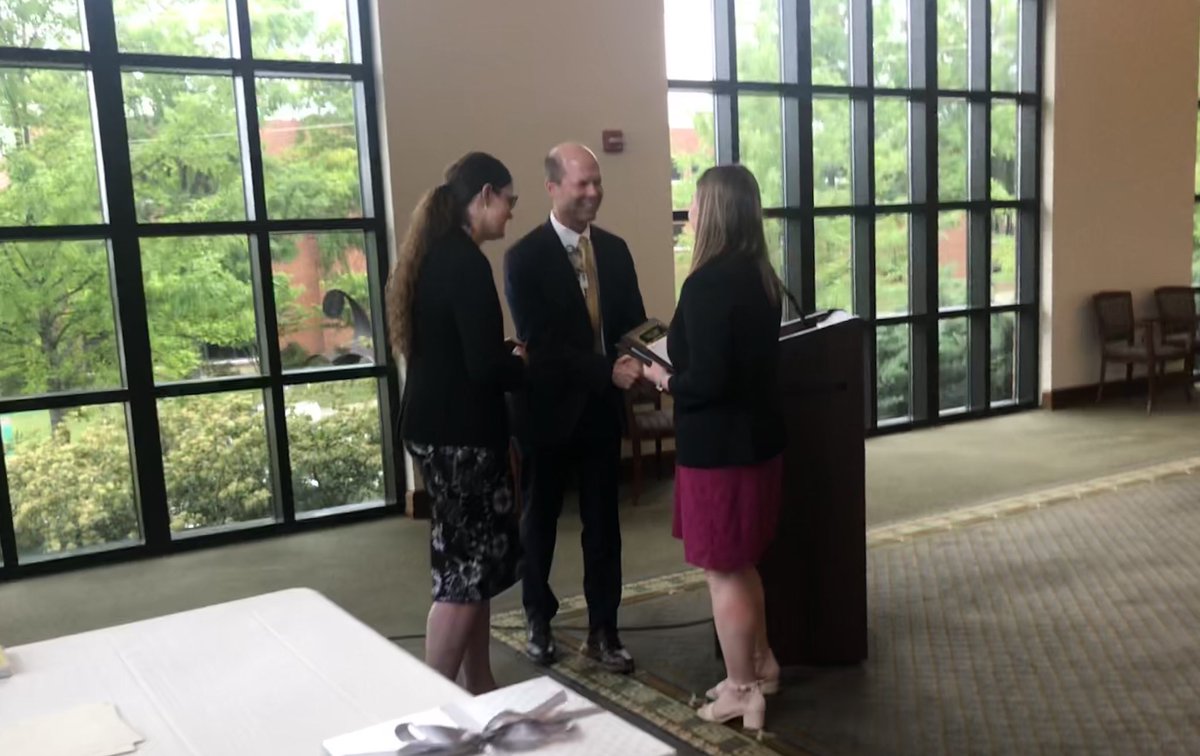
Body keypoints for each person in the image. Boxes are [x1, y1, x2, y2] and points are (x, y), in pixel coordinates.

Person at [642, 165, 786, 732]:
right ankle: (763, 664)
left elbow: (707, 380)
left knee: (722, 571)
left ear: (715, 212)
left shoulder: (705, 284)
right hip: (757, 444)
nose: (690, 212)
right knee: (741, 564)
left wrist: (663, 379)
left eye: (696, 203)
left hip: (719, 452)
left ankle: (743, 690)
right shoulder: (759, 275)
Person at [504, 143, 646, 673]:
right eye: (581, 183)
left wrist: (651, 356)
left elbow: (631, 323)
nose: (593, 193)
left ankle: (604, 630)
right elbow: (540, 346)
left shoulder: (614, 250)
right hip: (545, 412)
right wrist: (606, 368)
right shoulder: (523, 257)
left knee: (604, 526)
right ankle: (538, 619)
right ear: (552, 188)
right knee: (539, 521)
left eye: (597, 182)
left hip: (601, 413)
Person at [386, 152, 524, 693]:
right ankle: (435, 702)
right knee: (463, 579)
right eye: (509, 201)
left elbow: (460, 351)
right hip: (462, 438)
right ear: (485, 195)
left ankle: (479, 687)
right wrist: (525, 366)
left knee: (472, 569)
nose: (512, 213)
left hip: (435, 429)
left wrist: (503, 355)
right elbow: (486, 367)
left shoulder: (434, 254)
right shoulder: (466, 263)